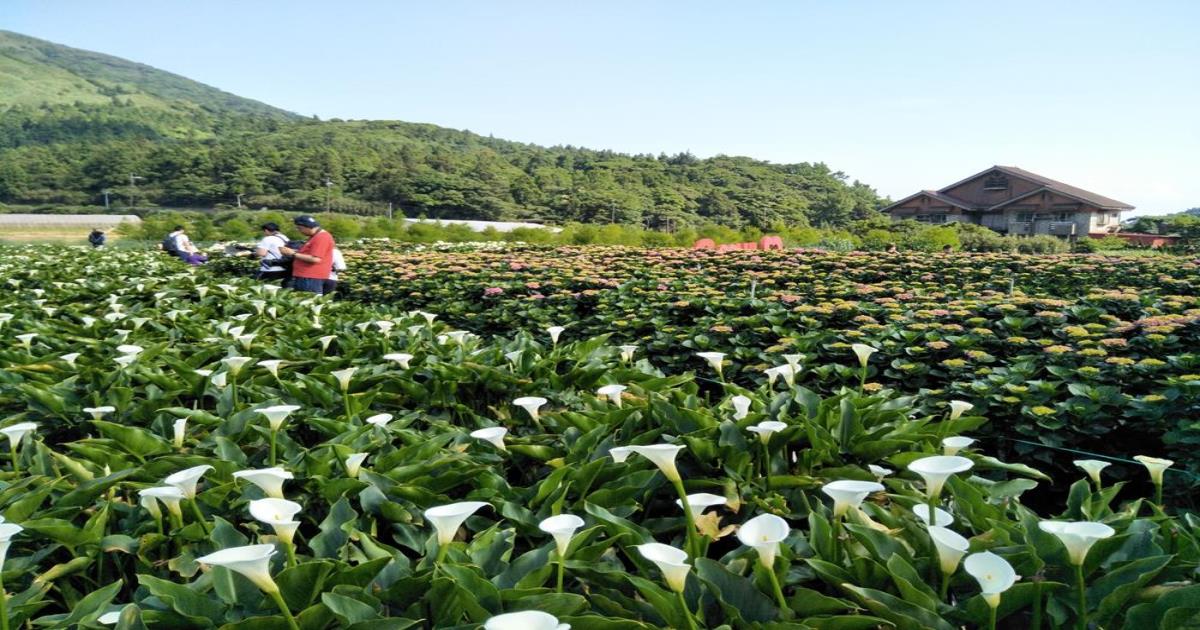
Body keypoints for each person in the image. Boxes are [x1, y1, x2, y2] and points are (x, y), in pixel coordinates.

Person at [281, 215, 335, 294]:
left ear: (306, 227)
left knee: (308, 302)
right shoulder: (315, 236)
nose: (299, 231)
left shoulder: (321, 237)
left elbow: (315, 259)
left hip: (311, 277)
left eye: (300, 228)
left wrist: (293, 253)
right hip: (307, 276)